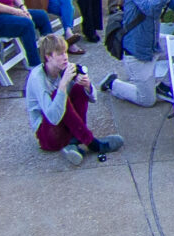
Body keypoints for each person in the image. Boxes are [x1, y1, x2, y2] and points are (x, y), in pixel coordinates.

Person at [23, 31, 117, 166]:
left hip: (67, 127)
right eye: (60, 54)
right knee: (58, 95)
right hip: (48, 135)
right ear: (48, 57)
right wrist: (63, 85)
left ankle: (73, 142)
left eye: (66, 52)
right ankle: (90, 142)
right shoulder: (38, 78)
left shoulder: (65, 67)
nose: (65, 57)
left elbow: (93, 99)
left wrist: (87, 86)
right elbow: (53, 117)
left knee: (78, 88)